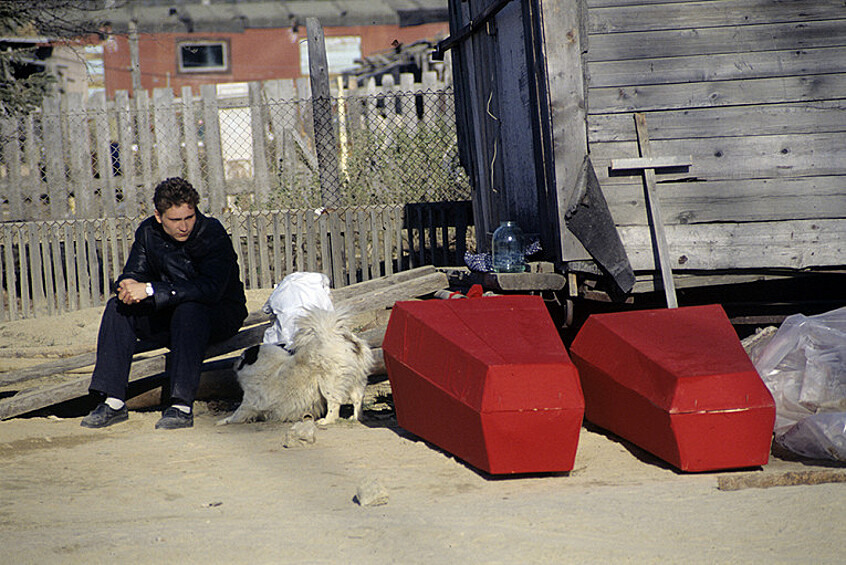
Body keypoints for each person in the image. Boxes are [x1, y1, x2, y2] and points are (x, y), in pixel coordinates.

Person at [81, 177, 247, 430]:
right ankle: (113, 401)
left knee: (189, 309)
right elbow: (135, 272)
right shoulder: (148, 232)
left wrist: (149, 289)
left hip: (216, 314)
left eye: (189, 217)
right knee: (117, 307)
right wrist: (127, 285)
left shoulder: (212, 233)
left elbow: (211, 289)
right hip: (170, 315)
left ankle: (181, 406)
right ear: (159, 216)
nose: (184, 226)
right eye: (175, 220)